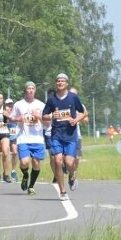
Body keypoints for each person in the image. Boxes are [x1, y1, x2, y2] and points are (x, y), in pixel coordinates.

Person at [42, 73, 85, 201]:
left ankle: (72, 175)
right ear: (56, 83)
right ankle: (63, 191)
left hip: (70, 135)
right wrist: (51, 116)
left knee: (69, 162)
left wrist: (76, 119)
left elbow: (83, 113)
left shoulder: (73, 97)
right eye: (58, 81)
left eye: (62, 81)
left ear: (66, 83)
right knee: (58, 161)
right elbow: (43, 115)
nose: (60, 83)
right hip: (56, 135)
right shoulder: (51, 99)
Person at [9, 81, 46, 196]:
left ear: (35, 91)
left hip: (37, 138)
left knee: (35, 163)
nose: (30, 90)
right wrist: (19, 118)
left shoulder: (41, 105)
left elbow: (47, 122)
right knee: (24, 162)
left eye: (32, 89)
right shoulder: (19, 104)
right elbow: (11, 119)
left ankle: (31, 186)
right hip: (23, 138)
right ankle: (25, 174)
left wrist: (38, 116)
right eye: (28, 88)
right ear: (25, 90)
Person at [4, 98, 19, 181]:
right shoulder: (3, 112)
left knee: (15, 152)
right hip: (4, 134)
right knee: (5, 154)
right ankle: (5, 172)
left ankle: (13, 170)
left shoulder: (15, 113)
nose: (10, 106)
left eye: (11, 104)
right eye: (8, 104)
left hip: (13, 134)